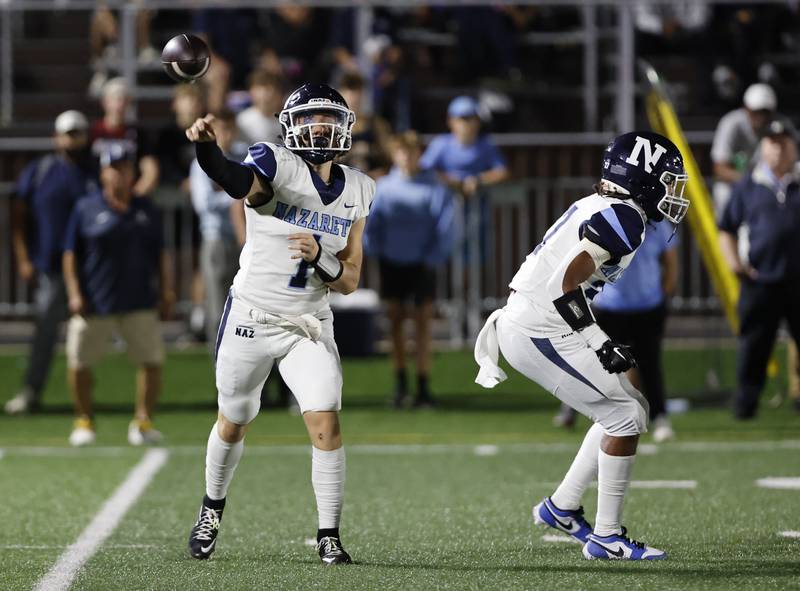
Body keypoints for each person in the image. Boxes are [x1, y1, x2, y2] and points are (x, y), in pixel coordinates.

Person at [475, 132, 690, 560]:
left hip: (534, 321)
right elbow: (564, 286)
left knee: (626, 406)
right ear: (643, 177)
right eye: (666, 180)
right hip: (540, 327)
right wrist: (600, 341)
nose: (671, 191)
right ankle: (607, 537)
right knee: (626, 416)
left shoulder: (606, 207)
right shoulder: (625, 218)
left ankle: (563, 507)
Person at [184, 83, 375, 565]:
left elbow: (350, 280)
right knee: (234, 422)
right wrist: (208, 149)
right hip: (251, 314)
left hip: (308, 322)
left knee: (325, 421)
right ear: (291, 125)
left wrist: (321, 262)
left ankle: (329, 534)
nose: (321, 128)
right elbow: (233, 178)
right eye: (311, 118)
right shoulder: (274, 162)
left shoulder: (358, 188)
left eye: (329, 119)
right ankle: (211, 508)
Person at [62, 144, 175, 447]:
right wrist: (74, 293)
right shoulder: (86, 207)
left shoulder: (145, 208)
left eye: (125, 167)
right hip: (95, 301)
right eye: (113, 167)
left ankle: (142, 421)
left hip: (139, 300)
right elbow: (70, 254)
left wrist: (166, 290)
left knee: (151, 361)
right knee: (79, 362)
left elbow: (161, 253)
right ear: (103, 172)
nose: (120, 173)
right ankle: (84, 420)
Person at [5, 110, 98, 415]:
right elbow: (18, 217)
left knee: (94, 336)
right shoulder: (39, 171)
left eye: (77, 133)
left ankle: (91, 399)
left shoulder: (95, 171)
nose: (72, 139)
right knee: (45, 330)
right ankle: (31, 391)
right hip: (51, 267)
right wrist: (22, 257)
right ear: (56, 137)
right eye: (67, 133)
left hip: (92, 267)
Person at [555, 221, 680, 442]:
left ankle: (659, 416)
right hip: (608, 306)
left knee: (649, 363)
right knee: (591, 361)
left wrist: (664, 295)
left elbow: (671, 261)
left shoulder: (659, 226)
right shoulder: (612, 219)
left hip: (647, 304)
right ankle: (571, 407)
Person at [364, 131, 455, 408]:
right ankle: (401, 383)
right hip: (391, 262)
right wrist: (374, 250)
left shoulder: (434, 187)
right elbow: (371, 222)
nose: (407, 157)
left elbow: (446, 224)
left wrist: (434, 256)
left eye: (412, 152)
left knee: (423, 323)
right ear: (394, 155)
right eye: (402, 151)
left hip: (422, 263)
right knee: (395, 324)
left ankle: (424, 385)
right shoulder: (384, 187)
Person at [718, 117, 800, 419]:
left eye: (784, 143)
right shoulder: (749, 185)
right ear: (764, 148)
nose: (778, 149)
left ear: (793, 147)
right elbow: (726, 227)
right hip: (760, 279)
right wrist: (735, 264)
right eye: (772, 143)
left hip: (797, 279)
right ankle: (746, 404)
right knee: (754, 345)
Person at [190, 109, 247, 349]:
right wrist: (238, 197)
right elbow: (204, 204)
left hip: (244, 240)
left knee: (245, 310)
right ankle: (220, 372)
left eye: (230, 129)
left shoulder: (242, 156)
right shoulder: (200, 161)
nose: (226, 134)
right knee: (218, 309)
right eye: (221, 129)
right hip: (217, 240)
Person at [711, 83, 777, 214]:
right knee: (723, 194)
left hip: (767, 187)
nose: (760, 116)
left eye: (765, 112)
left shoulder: (777, 128)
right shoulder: (731, 124)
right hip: (733, 186)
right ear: (746, 108)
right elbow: (719, 168)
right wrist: (750, 182)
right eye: (756, 111)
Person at [90, 77, 160, 197]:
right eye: (115, 99)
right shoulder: (93, 132)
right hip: (98, 196)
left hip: (128, 197)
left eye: (124, 99)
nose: (120, 104)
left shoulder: (137, 134)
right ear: (105, 102)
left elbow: (150, 168)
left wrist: (134, 195)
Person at [337, 72, 393, 179]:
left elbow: (389, 157)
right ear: (341, 92)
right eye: (349, 91)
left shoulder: (376, 124)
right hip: (344, 184)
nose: (353, 97)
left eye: (357, 91)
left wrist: (370, 150)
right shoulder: (332, 127)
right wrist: (352, 151)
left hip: (373, 182)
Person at [236, 70, 285, 146]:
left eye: (272, 90)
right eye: (261, 90)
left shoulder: (285, 122)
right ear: (252, 92)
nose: (267, 96)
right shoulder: (242, 121)